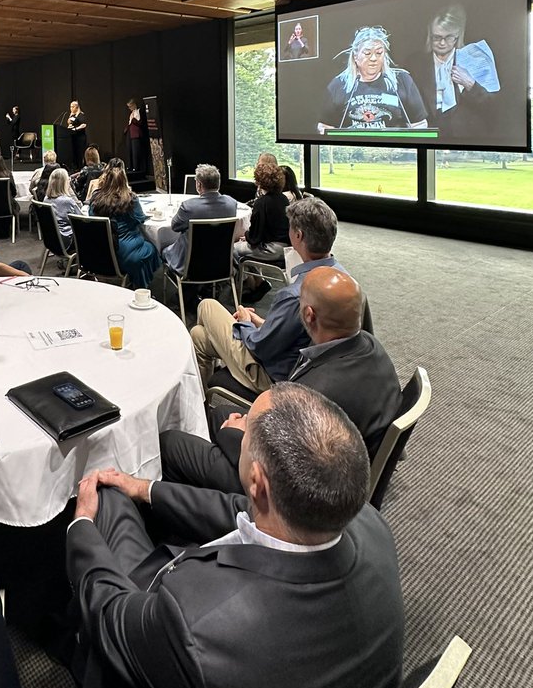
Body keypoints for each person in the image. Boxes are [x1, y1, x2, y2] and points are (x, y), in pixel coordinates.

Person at [67, 384, 404, 688]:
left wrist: (81, 525)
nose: (239, 430)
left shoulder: (195, 622)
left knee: (107, 501)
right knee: (127, 499)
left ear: (257, 482)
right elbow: (239, 510)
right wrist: (145, 489)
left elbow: (111, 615)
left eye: (244, 435)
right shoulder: (369, 523)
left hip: (176, 653)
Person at [161, 267, 402, 493]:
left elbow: (277, 464)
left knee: (171, 443)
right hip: (340, 458)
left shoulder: (311, 393)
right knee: (220, 411)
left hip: (303, 492)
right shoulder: (372, 348)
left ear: (308, 314)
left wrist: (236, 435)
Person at [191, 196, 345, 391]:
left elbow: (260, 347)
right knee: (198, 336)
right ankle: (203, 400)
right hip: (308, 369)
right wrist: (259, 322)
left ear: (297, 235)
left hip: (275, 378)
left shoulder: (295, 295)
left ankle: (202, 401)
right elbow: (295, 332)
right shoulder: (344, 278)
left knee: (207, 305)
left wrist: (245, 322)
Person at [411, 4, 498, 143]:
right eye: (437, 37)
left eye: (449, 37)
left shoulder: (475, 60)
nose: (442, 43)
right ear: (430, 35)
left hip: (467, 139)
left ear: (458, 36)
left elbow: (493, 109)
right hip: (428, 137)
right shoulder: (415, 64)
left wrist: (470, 84)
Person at [318, 24, 427, 134]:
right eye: (367, 53)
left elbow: (419, 124)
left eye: (379, 53)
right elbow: (324, 126)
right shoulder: (338, 85)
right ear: (355, 56)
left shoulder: (402, 80)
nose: (374, 58)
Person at [88, 163, 159, 289]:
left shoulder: (96, 199)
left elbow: (91, 217)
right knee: (153, 248)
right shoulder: (130, 199)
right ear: (124, 181)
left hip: (99, 251)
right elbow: (139, 219)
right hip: (126, 251)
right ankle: (140, 286)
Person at [162, 163, 240, 275]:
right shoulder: (231, 203)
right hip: (222, 264)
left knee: (164, 250)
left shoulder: (188, 207)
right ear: (218, 183)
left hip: (191, 266)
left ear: (199, 185)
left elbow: (175, 226)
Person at [234, 159, 290, 282]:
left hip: (271, 249)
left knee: (233, 249)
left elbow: (255, 238)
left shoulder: (262, 203)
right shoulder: (283, 199)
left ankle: (250, 283)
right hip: (287, 249)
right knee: (245, 249)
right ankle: (258, 282)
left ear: (260, 182)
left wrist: (247, 236)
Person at [44, 168, 82, 250]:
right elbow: (81, 220)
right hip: (67, 240)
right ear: (64, 183)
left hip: (52, 240)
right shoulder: (67, 201)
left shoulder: (46, 199)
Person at [124, 98, 149, 174]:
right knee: (130, 150)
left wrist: (133, 120)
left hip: (136, 134)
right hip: (130, 134)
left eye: (130, 106)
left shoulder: (138, 112)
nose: (129, 108)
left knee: (136, 151)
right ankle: (130, 166)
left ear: (134, 105)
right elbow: (130, 123)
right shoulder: (131, 113)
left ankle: (136, 167)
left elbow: (140, 122)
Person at [66, 100, 87, 170]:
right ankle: (75, 168)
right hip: (74, 137)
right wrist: (70, 116)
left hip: (80, 138)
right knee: (74, 154)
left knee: (80, 153)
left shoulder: (81, 115)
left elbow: (84, 125)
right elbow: (69, 123)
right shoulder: (73, 115)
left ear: (77, 107)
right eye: (70, 107)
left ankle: (81, 167)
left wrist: (76, 129)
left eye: (72, 107)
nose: (71, 108)